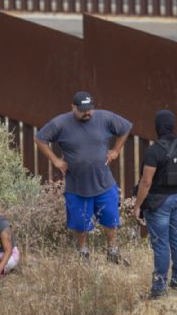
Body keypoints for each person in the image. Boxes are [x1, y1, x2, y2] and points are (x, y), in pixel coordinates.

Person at [35, 91, 132, 263]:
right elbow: (40, 138)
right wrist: (55, 160)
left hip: (104, 183)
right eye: (82, 110)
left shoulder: (104, 117)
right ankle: (83, 252)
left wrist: (116, 150)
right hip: (77, 186)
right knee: (80, 223)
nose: (87, 113)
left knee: (111, 219)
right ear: (73, 107)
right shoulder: (60, 123)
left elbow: (125, 128)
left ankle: (113, 251)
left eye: (89, 109)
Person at [132, 110, 177, 299]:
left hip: (159, 202)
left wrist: (138, 206)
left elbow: (146, 182)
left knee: (161, 244)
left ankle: (159, 289)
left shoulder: (154, 150)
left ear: (158, 127)